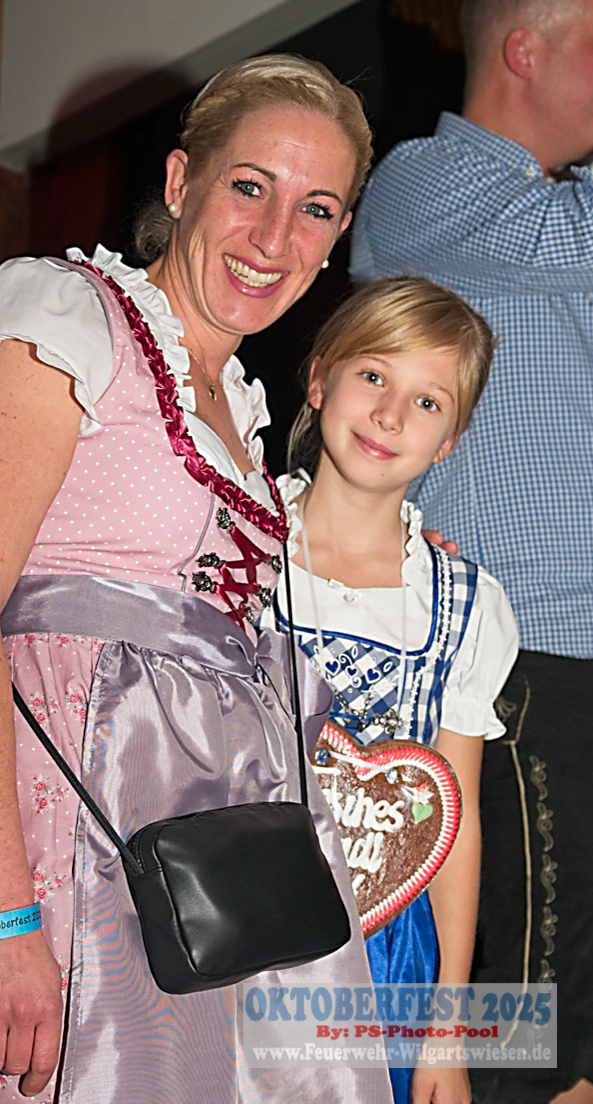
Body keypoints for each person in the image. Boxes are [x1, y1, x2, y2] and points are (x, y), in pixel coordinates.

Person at [0, 55, 396, 1104]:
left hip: (224, 864)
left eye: (315, 209)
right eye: (249, 186)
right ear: (180, 182)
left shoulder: (240, 407)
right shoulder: (62, 313)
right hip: (70, 834)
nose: (273, 237)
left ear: (338, 233)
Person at [350, 2, 593, 1100]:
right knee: (530, 1010)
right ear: (522, 49)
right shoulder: (421, 182)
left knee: (570, 1012)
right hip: (519, 655)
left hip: (567, 650)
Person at [272, 277, 518, 1104]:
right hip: (231, 917)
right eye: (373, 376)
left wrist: (447, 1030)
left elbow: (455, 820)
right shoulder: (231, 547)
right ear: (318, 379)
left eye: (426, 402)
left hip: (383, 952)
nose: (388, 415)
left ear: (449, 441)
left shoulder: (463, 605)